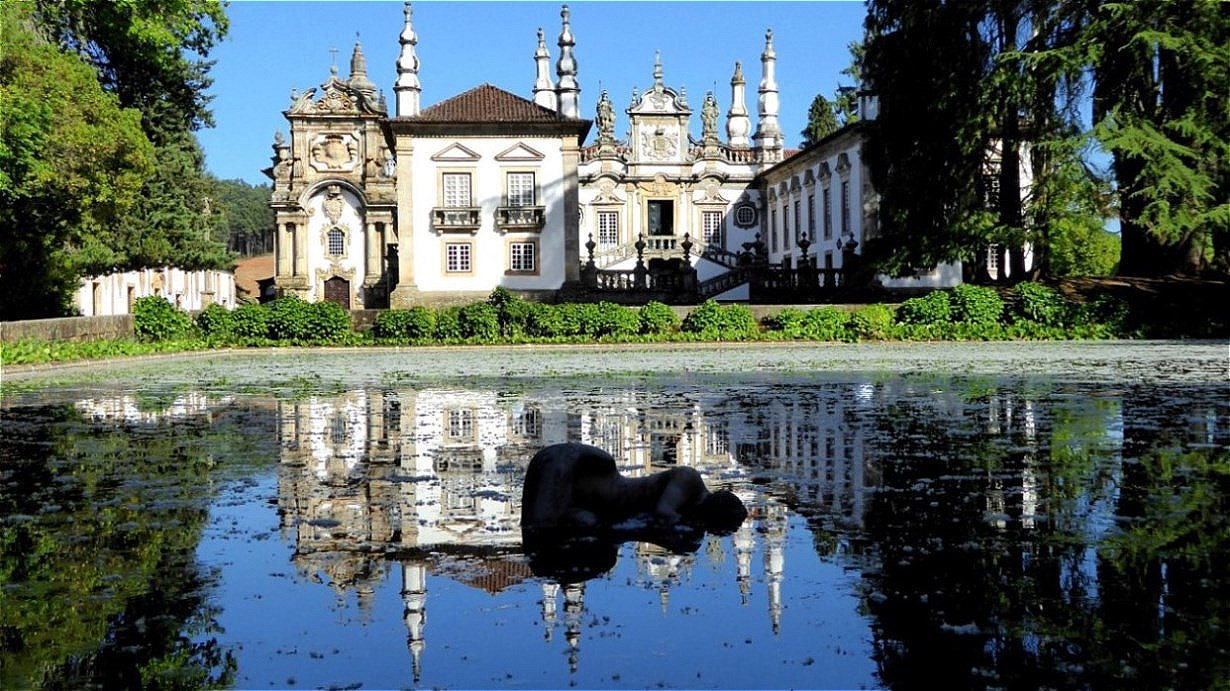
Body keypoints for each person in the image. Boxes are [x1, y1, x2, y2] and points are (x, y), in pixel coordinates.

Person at [520, 442, 748, 537]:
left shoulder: (692, 512)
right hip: (606, 490)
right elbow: (663, 512)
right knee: (541, 528)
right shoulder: (690, 479)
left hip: (599, 507)